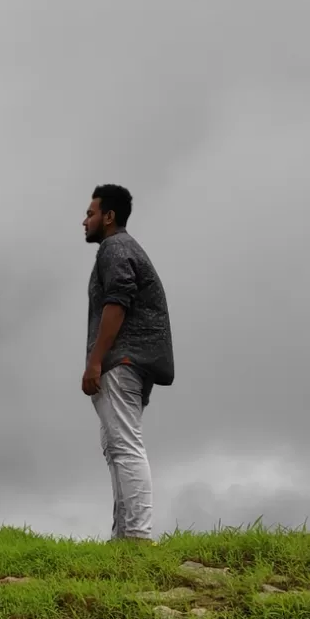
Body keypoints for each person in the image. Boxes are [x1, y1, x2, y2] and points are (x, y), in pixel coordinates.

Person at [81, 182, 174, 541]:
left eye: (90, 213)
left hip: (123, 359)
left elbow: (117, 303)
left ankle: (136, 537)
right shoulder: (123, 248)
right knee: (115, 445)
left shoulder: (115, 247)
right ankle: (124, 538)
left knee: (124, 445)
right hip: (132, 359)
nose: (84, 220)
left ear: (109, 216)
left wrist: (95, 362)